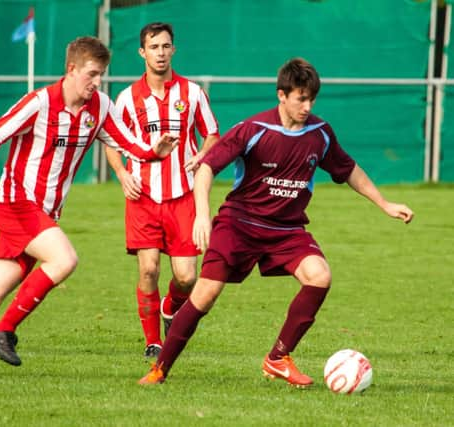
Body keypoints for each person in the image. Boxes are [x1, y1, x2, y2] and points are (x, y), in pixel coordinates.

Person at [138, 57, 414, 386]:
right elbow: (208, 167)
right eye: (301, 98)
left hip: (286, 229)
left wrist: (384, 203)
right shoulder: (254, 129)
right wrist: (201, 214)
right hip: (239, 224)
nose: (307, 105)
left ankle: (278, 358)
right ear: (281, 95)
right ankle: (160, 368)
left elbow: (348, 169)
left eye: (312, 98)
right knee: (206, 293)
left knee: (319, 275)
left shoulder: (319, 133)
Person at [0, 36, 179, 367]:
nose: (97, 82)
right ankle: (4, 330)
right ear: (71, 69)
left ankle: (0, 325)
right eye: (91, 74)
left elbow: (127, 142)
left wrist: (154, 151)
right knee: (64, 259)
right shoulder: (40, 102)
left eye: (101, 75)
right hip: (16, 203)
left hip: (43, 214)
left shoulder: (101, 107)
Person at [104, 22, 219, 358]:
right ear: (142, 52)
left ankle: (171, 307)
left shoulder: (192, 93)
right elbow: (110, 139)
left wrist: (200, 154)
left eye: (166, 46)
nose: (160, 53)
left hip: (183, 196)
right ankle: (153, 341)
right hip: (143, 197)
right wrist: (122, 172)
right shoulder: (127, 97)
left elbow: (212, 134)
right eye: (154, 47)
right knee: (149, 269)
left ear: (174, 50)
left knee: (186, 278)